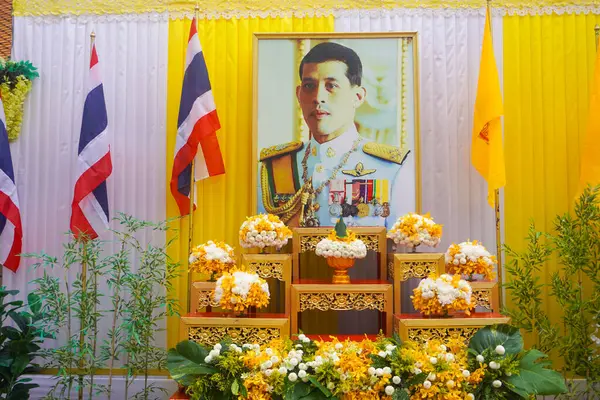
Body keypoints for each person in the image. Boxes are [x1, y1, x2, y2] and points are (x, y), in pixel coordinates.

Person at [258, 41, 411, 227]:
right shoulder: (275, 166)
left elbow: (400, 247)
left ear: (358, 97)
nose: (318, 97)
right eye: (309, 86)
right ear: (299, 94)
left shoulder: (390, 167)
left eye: (331, 85)